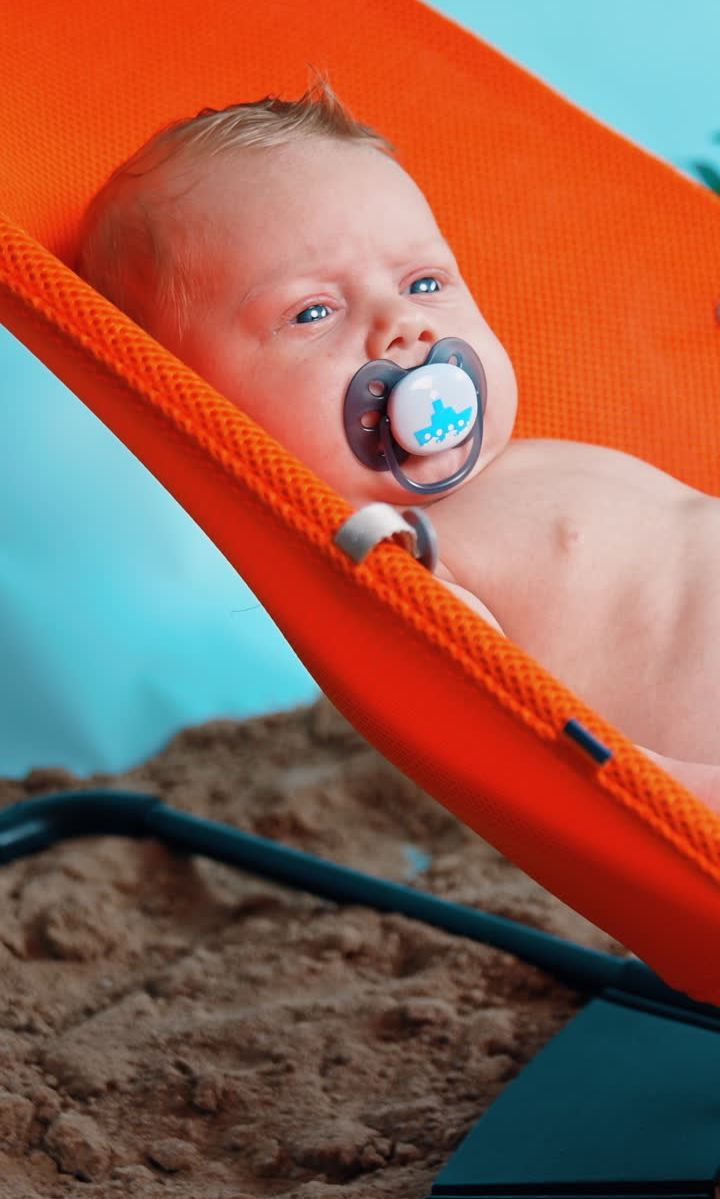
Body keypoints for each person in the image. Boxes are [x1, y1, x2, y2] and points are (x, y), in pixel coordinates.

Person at [76, 82, 720, 812]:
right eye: (312, 312)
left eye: (424, 281)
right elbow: (534, 735)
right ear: (197, 407)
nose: (403, 323)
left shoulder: (527, 460)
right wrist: (684, 791)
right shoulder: (400, 563)